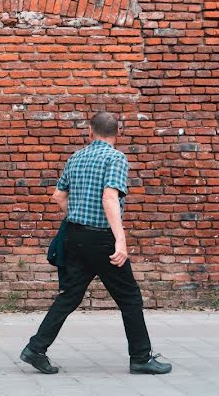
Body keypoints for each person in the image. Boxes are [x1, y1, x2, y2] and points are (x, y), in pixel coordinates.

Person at [20, 112, 172, 375]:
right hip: (101, 238)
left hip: (74, 236)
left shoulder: (76, 157)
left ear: (90, 131)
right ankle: (140, 357)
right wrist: (120, 241)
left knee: (70, 296)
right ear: (117, 133)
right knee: (130, 297)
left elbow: (58, 196)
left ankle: (36, 348)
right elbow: (110, 198)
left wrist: (76, 214)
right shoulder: (116, 158)